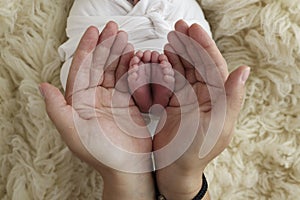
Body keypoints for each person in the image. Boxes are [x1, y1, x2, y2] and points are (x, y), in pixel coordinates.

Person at [39, 1, 250, 199]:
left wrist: (127, 178)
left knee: (85, 68)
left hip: (109, 87)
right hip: (154, 71)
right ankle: (159, 91)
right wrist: (184, 184)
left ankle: (145, 90)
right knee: (186, 48)